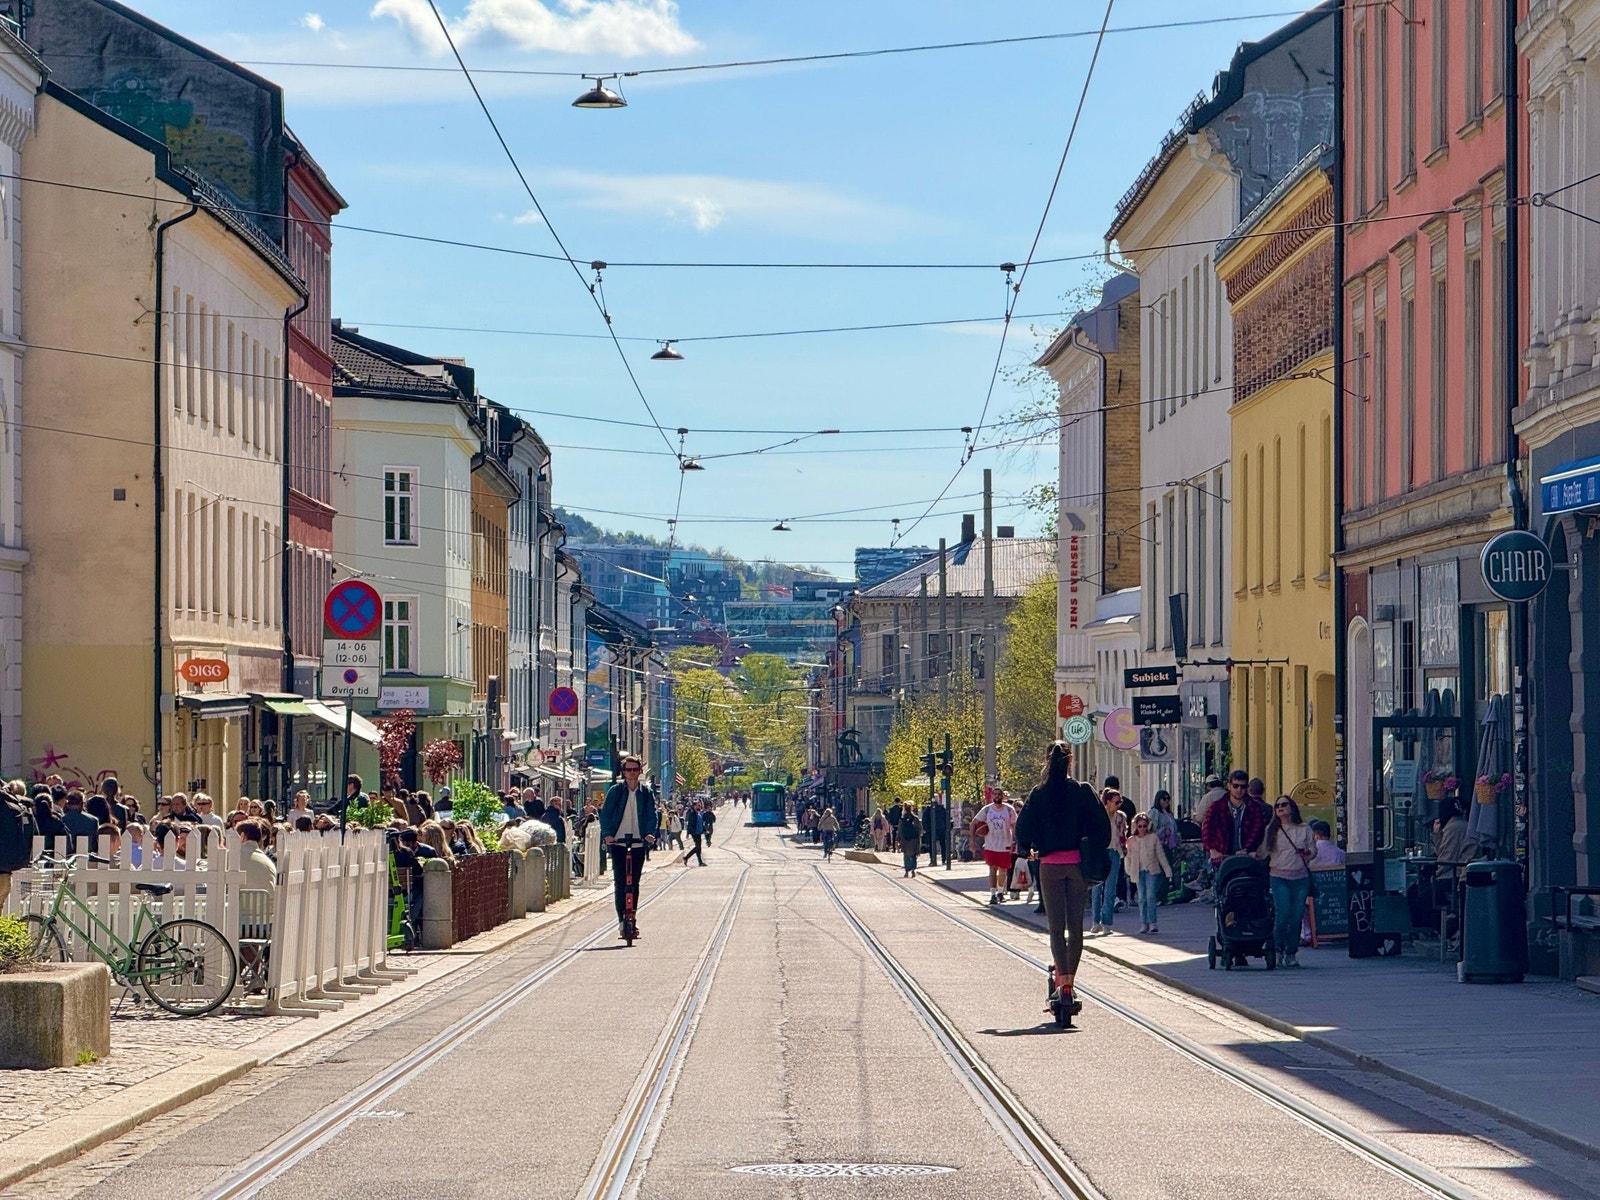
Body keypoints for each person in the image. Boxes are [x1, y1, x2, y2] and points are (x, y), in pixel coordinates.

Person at [1016, 743, 1110, 1015]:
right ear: (1070, 761)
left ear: (1046, 760)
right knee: (1076, 926)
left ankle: (1062, 986)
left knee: (1056, 929)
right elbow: (1101, 825)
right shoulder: (1082, 791)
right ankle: (1069, 983)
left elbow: (1023, 827)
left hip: (1050, 865)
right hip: (1077, 864)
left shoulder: (1039, 793)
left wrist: (1027, 848)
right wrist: (1094, 847)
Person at [600, 755, 659, 937]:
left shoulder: (646, 793)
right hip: (618, 841)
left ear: (640, 771)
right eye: (628, 770)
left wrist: (650, 833)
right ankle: (621, 920)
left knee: (634, 882)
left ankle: (632, 917)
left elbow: (652, 815)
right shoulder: (615, 791)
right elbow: (606, 814)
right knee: (620, 882)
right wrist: (607, 835)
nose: (631, 773)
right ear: (623, 772)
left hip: (638, 842)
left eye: (635, 770)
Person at [1256, 796, 1316, 967]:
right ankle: (1278, 949)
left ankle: (1291, 952)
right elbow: (1264, 851)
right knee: (1283, 914)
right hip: (1279, 876)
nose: (1280, 808)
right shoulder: (1273, 829)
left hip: (1300, 877)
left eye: (1284, 805)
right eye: (1277, 806)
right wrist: (1252, 854)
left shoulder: (1304, 829)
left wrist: (1307, 853)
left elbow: (1313, 850)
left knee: (1296, 916)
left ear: (1292, 807)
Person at [1201, 769, 1270, 864]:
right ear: (1229, 786)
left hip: (1247, 857)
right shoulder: (1217, 807)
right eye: (1235, 786)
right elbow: (1207, 829)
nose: (1239, 790)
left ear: (1247, 788)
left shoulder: (1254, 808)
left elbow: (1257, 830)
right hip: (1222, 857)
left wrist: (1247, 849)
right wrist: (1213, 850)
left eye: (1243, 786)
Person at [1123, 812, 1173, 934]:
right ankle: (1143, 923)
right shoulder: (1131, 840)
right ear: (1135, 826)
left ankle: (1153, 922)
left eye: (1144, 826)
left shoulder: (1153, 838)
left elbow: (1160, 855)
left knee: (1150, 896)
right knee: (1141, 898)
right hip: (1138, 871)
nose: (1142, 829)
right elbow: (1127, 857)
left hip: (1151, 870)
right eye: (1140, 826)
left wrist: (1167, 871)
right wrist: (1129, 871)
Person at [1089, 789, 1128, 935]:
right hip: (1100, 853)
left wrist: (1124, 850)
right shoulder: (1098, 816)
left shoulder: (1121, 817)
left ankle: (1106, 922)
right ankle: (1095, 921)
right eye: (1116, 802)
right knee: (1096, 888)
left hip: (1114, 852)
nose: (1118, 805)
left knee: (1110, 889)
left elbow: (1122, 836)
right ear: (1107, 802)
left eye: (1120, 802)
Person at [973, 791, 1018, 906]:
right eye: (995, 794)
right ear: (992, 796)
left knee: (1003, 870)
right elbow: (974, 823)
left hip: (1005, 844)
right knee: (992, 869)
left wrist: (1014, 841)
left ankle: (1000, 892)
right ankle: (993, 894)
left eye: (999, 795)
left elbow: (1015, 825)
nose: (997, 796)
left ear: (1002, 796)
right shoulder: (987, 810)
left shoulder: (1009, 810)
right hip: (990, 844)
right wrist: (972, 841)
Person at [923, 795, 949, 868]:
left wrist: (926, 829)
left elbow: (925, 820)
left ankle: (932, 859)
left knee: (931, 845)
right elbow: (946, 819)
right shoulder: (942, 809)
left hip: (931, 830)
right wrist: (946, 827)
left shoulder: (928, 809)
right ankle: (944, 859)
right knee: (943, 844)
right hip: (941, 829)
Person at [897, 803, 922, 877]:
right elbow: (919, 829)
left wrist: (898, 839)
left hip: (905, 839)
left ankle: (907, 871)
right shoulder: (915, 818)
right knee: (914, 855)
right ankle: (913, 870)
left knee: (906, 855)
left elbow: (900, 830)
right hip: (914, 839)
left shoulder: (902, 819)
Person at [680, 798, 707, 866]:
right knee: (698, 847)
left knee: (698, 848)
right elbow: (690, 824)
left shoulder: (699, 813)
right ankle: (686, 857)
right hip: (695, 832)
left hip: (699, 832)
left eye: (699, 805)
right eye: (697, 805)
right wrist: (688, 833)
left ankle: (700, 862)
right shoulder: (692, 814)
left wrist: (705, 831)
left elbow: (701, 823)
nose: (699, 806)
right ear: (694, 806)